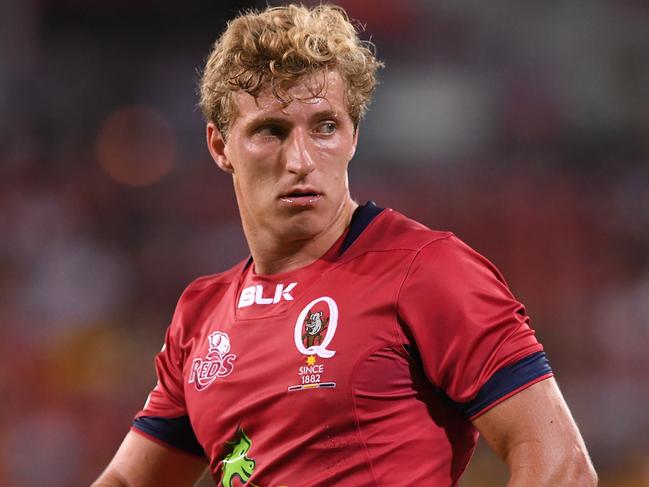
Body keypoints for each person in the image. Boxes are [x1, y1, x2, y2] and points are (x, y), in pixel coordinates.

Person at [93, 4, 597, 486]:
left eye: (325, 127)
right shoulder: (201, 316)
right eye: (270, 130)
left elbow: (561, 467)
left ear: (353, 136)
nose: (302, 159)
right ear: (220, 146)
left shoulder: (427, 269)